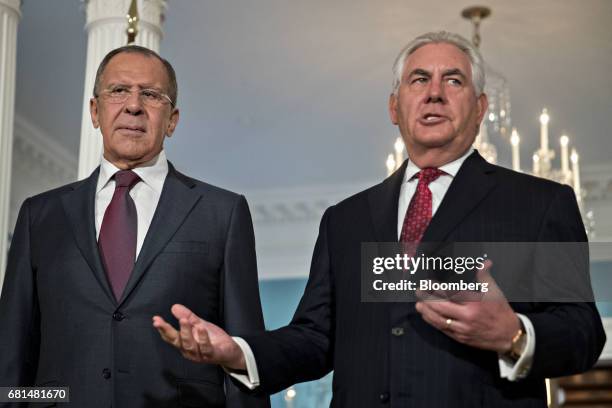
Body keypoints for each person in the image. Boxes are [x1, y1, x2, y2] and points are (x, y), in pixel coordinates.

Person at [153, 32, 606, 407]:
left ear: (481, 107)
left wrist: (514, 335)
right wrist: (239, 351)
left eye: (453, 80)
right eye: (418, 79)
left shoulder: (539, 203)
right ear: (394, 107)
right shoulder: (345, 221)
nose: (434, 92)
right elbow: (314, 339)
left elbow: (582, 332)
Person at [0, 45, 270, 408]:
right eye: (118, 90)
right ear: (95, 111)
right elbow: (10, 359)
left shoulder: (223, 213)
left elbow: (244, 352)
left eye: (151, 94)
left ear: (172, 120)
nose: (133, 105)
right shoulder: (40, 216)